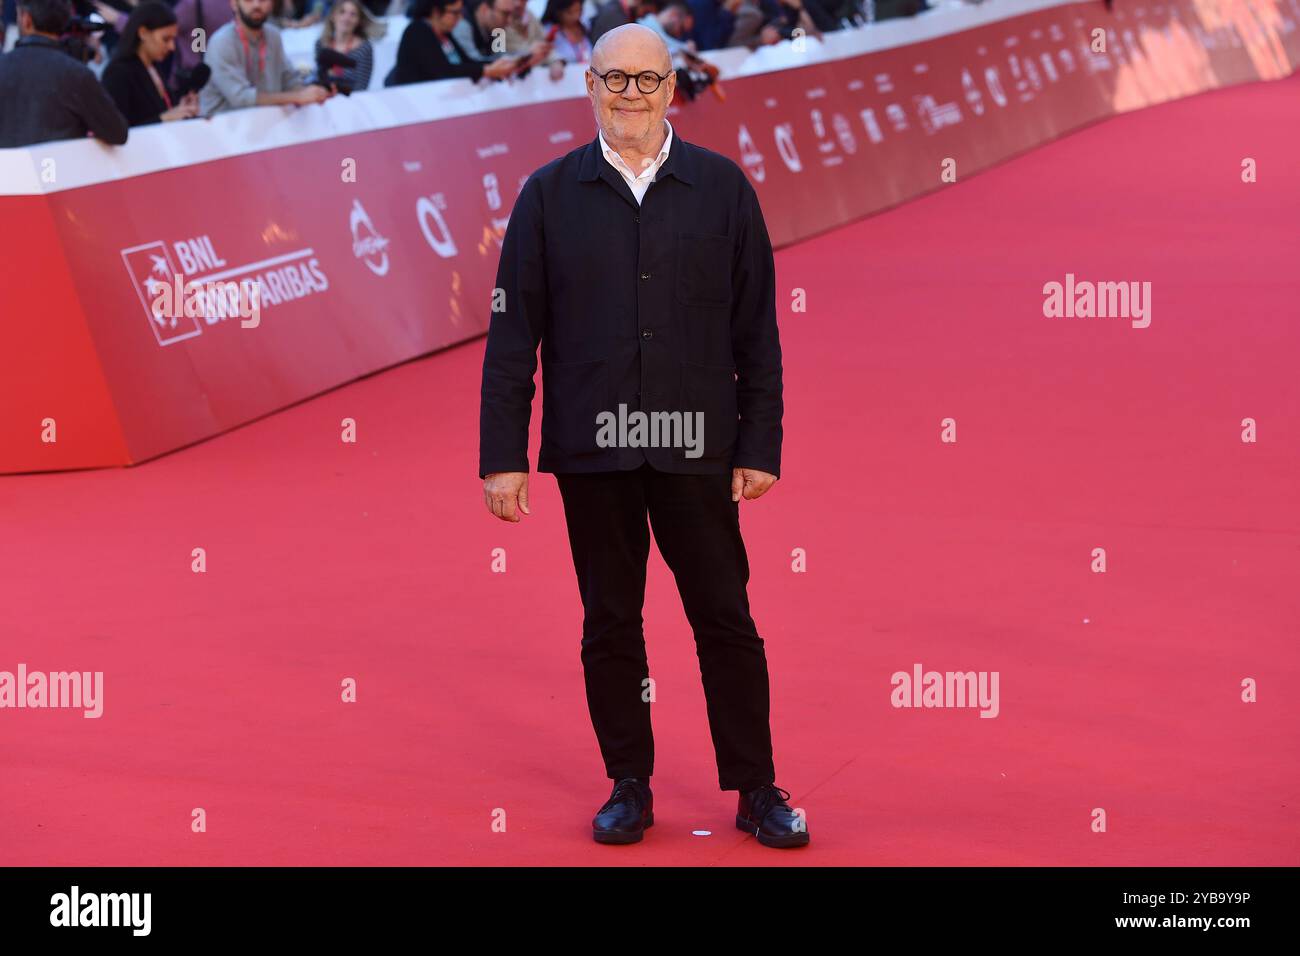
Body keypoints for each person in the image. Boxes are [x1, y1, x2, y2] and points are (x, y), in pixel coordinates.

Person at [478, 22, 804, 848]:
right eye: (614, 79)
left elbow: (756, 328)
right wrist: (501, 458)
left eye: (646, 80)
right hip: (594, 448)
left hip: (699, 445)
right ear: (589, 86)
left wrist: (760, 442)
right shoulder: (547, 195)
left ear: (671, 88)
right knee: (610, 621)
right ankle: (629, 782)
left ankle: (757, 786)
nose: (630, 94)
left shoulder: (723, 188)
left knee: (725, 618)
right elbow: (513, 336)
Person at [0, 0, 128, 146]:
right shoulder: (77, 74)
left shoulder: (3, 66)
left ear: (25, 19)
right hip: (59, 166)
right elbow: (117, 132)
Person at [198, 0, 332, 115]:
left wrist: (315, 93)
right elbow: (241, 98)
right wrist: (298, 96)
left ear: (272, 4)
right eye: (249, 0)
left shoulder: (273, 35)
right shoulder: (222, 42)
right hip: (221, 132)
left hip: (265, 126)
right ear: (234, 3)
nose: (256, 5)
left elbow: (290, 80)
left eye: (263, 0)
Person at [101, 1, 200, 125]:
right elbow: (116, 130)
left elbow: (164, 111)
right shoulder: (118, 73)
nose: (172, 47)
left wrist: (181, 108)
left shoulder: (153, 66)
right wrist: (164, 118)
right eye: (165, 39)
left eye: (173, 39)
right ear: (143, 33)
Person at [384, 0, 517, 85]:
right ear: (436, 11)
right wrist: (486, 70)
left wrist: (499, 65)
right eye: (455, 12)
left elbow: (466, 62)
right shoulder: (417, 31)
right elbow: (443, 71)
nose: (460, 17)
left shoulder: (445, 34)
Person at [316, 0, 381, 90]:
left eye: (353, 14)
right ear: (333, 16)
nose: (346, 18)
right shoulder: (321, 44)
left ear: (358, 21)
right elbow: (319, 78)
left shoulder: (364, 49)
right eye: (342, 12)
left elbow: (361, 86)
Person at [540, 0, 591, 64]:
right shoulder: (549, 30)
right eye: (570, 12)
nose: (576, 16)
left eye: (579, 10)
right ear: (558, 12)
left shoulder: (585, 25)